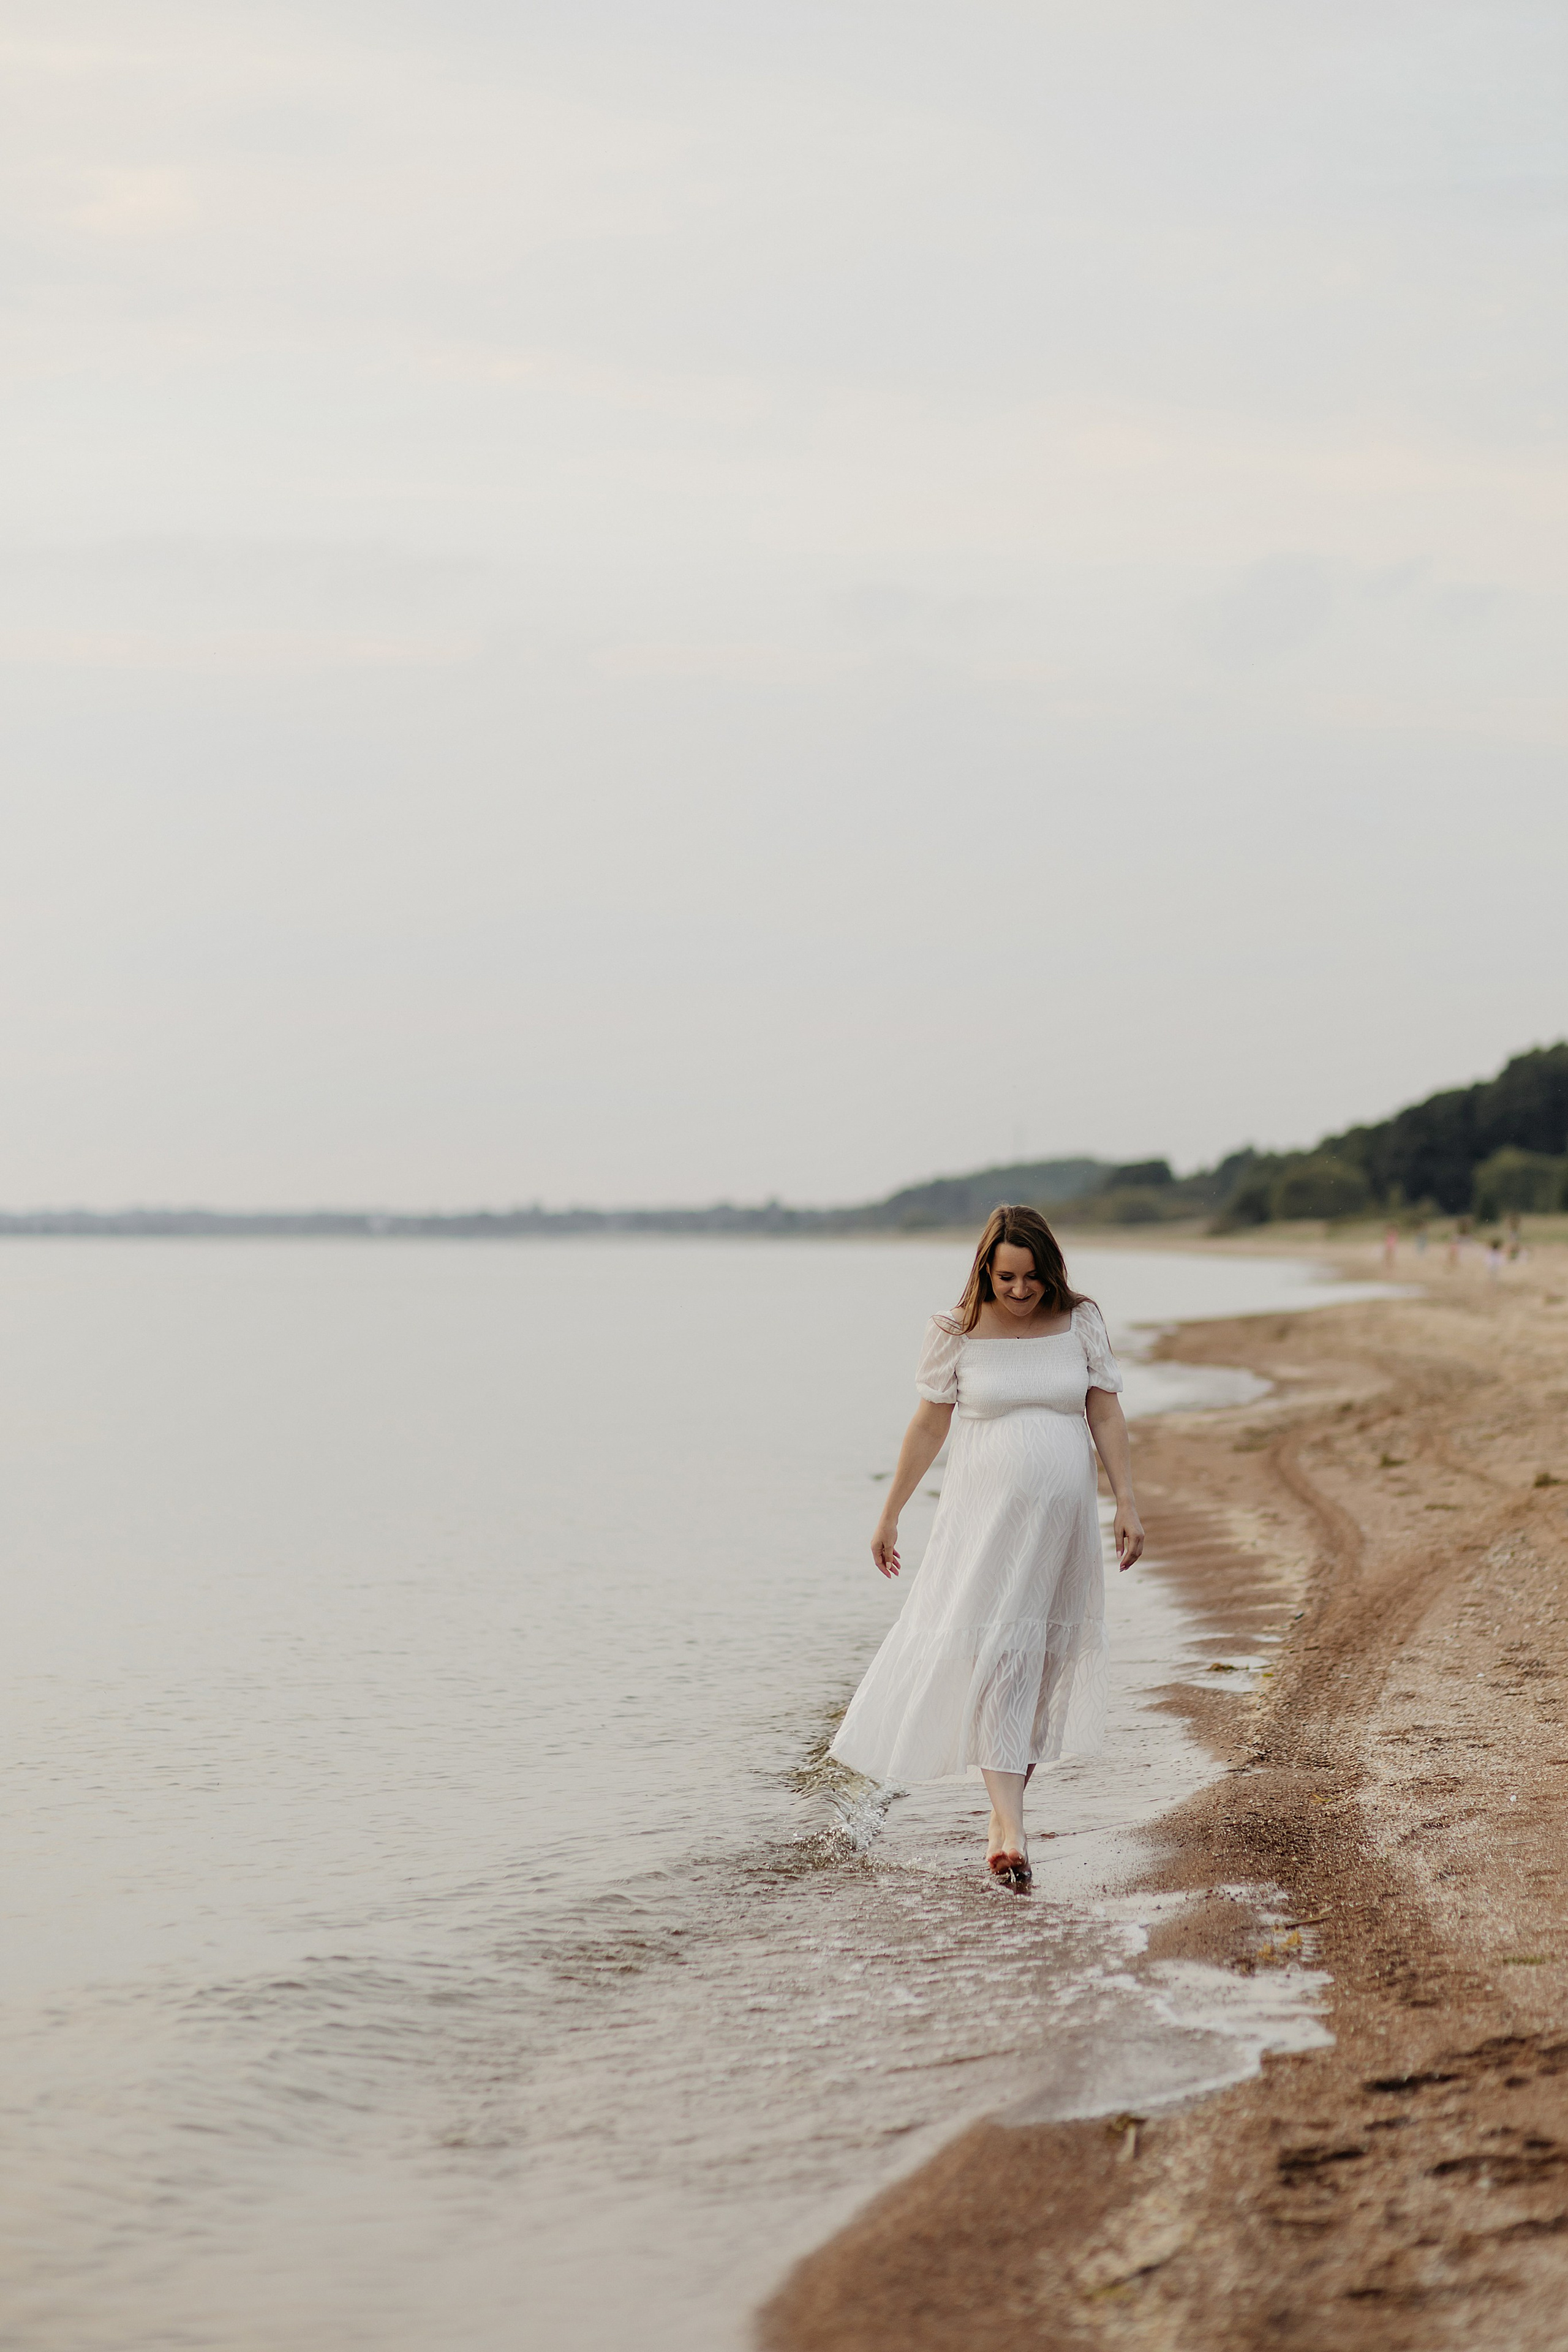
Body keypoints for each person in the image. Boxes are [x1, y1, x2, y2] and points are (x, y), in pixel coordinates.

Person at [829, 1205, 1145, 1890]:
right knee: (1000, 1656)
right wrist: (889, 1515)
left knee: (1039, 1666)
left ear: (1050, 1270)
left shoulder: (1080, 1321)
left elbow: (1105, 1410)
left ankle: (1006, 1818)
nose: (1020, 1291)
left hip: (1062, 1528)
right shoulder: (955, 1331)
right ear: (985, 1272)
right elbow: (927, 1426)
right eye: (1006, 1278)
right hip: (986, 1525)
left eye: (1032, 1277)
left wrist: (1126, 1501)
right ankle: (1012, 1828)